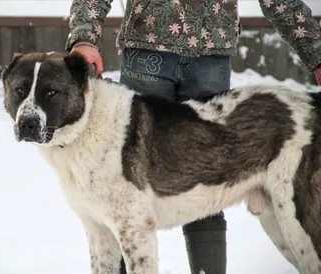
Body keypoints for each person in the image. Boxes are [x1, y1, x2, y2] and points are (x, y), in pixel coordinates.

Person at [64, 0, 321, 273]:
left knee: (209, 183)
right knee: (122, 196)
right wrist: (84, 36)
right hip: (149, 49)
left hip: (209, 52)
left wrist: (316, 51)